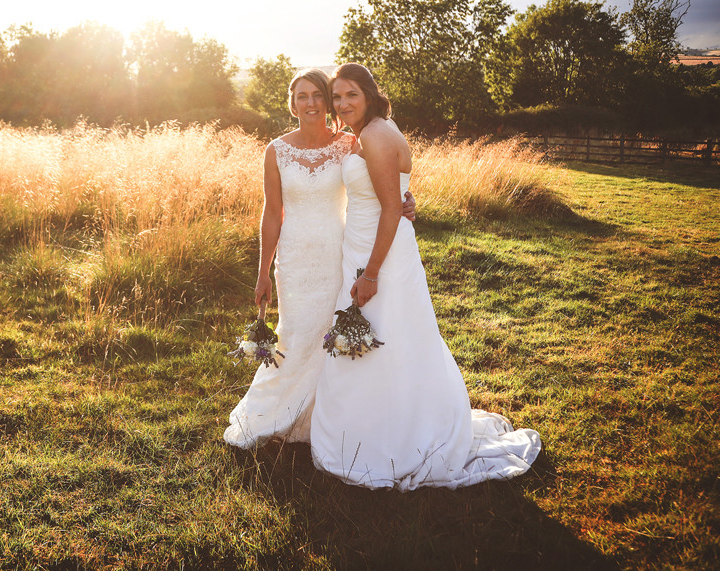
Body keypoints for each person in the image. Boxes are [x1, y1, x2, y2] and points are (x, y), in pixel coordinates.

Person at [309, 63, 541, 490]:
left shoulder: (376, 135)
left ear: (369, 94)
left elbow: (392, 209)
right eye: (337, 97)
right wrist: (402, 202)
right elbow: (394, 195)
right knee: (395, 335)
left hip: (378, 255)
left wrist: (371, 273)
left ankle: (391, 437)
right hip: (370, 244)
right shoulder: (376, 128)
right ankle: (390, 420)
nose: (342, 104)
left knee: (383, 333)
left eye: (350, 96)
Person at [224, 68, 415, 448]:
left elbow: (382, 179)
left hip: (337, 252)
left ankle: (326, 416)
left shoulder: (349, 143)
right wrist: (263, 271)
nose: (310, 103)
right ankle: (279, 412)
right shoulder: (276, 150)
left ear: (327, 102)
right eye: (301, 96)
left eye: (317, 95)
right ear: (292, 103)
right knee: (295, 331)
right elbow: (271, 213)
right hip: (294, 257)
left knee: (329, 331)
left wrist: (406, 202)